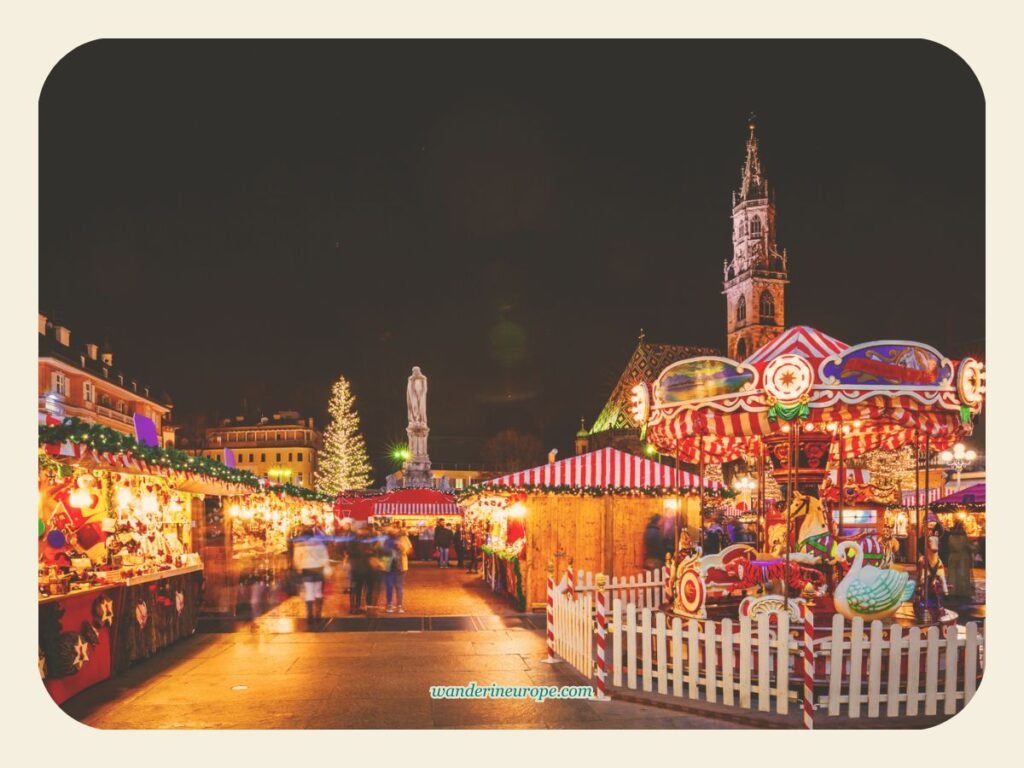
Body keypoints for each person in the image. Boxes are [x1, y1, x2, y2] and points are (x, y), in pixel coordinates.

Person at [291, 526, 329, 627]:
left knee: (309, 592)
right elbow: (325, 557)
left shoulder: (299, 545)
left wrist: (299, 568)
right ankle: (318, 614)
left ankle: (310, 615)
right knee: (318, 592)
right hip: (318, 569)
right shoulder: (319, 544)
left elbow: (297, 559)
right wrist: (325, 567)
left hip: (307, 570)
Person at [384, 525, 413, 613]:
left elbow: (410, 550)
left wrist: (402, 548)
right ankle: (389, 605)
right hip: (389, 565)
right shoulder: (387, 540)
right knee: (389, 586)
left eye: (395, 530)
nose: (394, 532)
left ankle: (399, 605)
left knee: (399, 586)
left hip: (401, 565)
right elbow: (383, 551)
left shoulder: (404, 539)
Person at [946, 520, 975, 601]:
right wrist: (976, 547)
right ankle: (962, 592)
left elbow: (949, 547)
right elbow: (970, 547)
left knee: (953, 575)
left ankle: (953, 591)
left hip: (953, 557)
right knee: (962, 575)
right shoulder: (964, 538)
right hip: (963, 558)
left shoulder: (950, 537)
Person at [347, 527, 374, 614]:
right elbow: (351, 552)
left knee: (363, 588)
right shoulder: (354, 541)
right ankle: (357, 606)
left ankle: (363, 606)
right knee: (357, 588)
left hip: (365, 568)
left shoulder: (368, 540)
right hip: (358, 568)